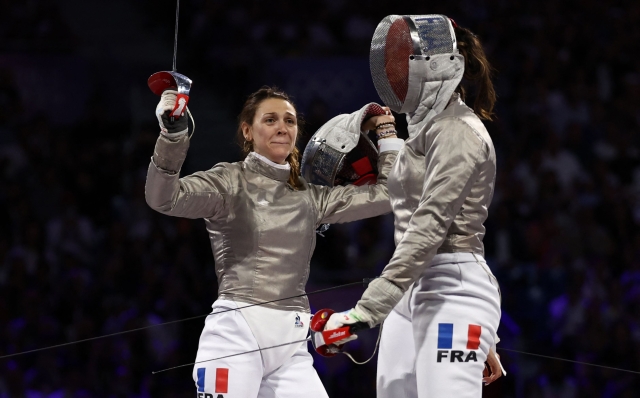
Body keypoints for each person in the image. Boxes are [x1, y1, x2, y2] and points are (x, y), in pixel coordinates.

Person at [145, 86, 403, 397]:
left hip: (291, 342)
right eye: (270, 120)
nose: (282, 127)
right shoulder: (228, 182)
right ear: (247, 131)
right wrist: (172, 137)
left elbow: (388, 194)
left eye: (289, 121)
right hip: (236, 336)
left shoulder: (310, 197)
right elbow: (163, 198)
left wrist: (387, 133)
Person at [324, 15, 504, 397]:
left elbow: (431, 225)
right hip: (411, 293)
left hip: (453, 288)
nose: (392, 74)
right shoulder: (427, 131)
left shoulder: (458, 131)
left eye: (402, 63)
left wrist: (365, 311)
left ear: (436, 69)